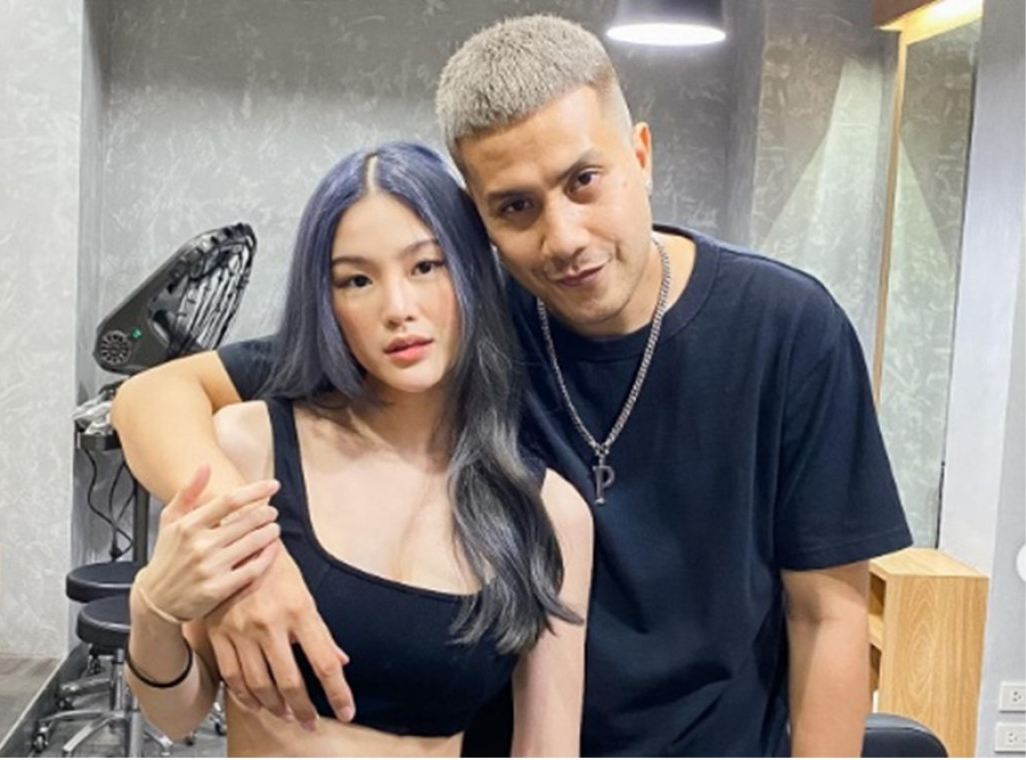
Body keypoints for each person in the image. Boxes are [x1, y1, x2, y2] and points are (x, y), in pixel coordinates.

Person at [112, 14, 913, 757]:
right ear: (479, 223)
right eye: (516, 207)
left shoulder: (787, 328)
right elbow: (154, 397)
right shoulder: (461, 322)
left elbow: (827, 618)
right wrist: (246, 556)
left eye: (584, 181)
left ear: (640, 154)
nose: (563, 238)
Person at [122, 141, 592, 757]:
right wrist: (153, 607)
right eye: (357, 280)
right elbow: (178, 711)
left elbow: (547, 749)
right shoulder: (251, 448)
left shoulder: (547, 513)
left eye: (426, 266)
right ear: (328, 300)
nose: (398, 308)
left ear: (472, 272)